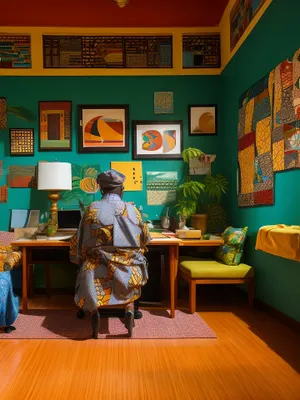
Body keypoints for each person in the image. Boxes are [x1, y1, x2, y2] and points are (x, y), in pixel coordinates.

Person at [70, 169, 151, 338]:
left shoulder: (92, 209)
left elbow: (80, 242)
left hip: (97, 267)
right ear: (121, 189)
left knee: (87, 266)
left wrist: (79, 258)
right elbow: (145, 240)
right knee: (136, 262)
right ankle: (129, 308)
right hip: (129, 268)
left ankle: (94, 310)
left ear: (101, 189)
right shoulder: (132, 210)